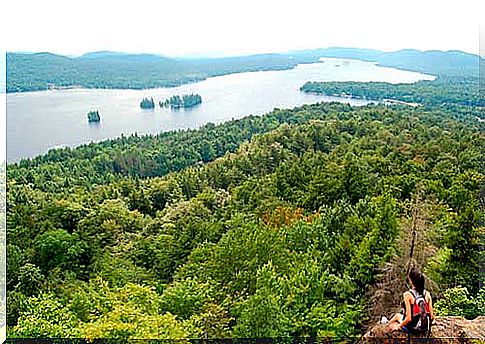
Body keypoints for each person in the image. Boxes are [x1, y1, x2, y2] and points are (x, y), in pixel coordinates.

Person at [387, 267, 434, 333]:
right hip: (424, 327)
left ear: (411, 281)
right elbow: (431, 316)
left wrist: (398, 326)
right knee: (397, 316)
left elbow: (409, 318)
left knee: (397, 316)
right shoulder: (427, 294)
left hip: (413, 328)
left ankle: (385, 325)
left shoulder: (408, 295)